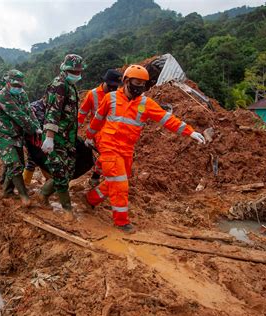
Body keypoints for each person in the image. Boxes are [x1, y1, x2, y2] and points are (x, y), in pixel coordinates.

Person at [84, 65, 206, 233]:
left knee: (116, 181)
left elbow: (167, 119)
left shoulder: (145, 103)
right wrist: (89, 136)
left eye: (143, 84)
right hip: (109, 146)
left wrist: (190, 132)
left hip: (127, 149)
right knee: (120, 184)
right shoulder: (110, 98)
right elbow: (97, 119)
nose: (139, 87)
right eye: (136, 82)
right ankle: (121, 222)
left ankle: (91, 199)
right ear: (126, 81)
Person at [39, 54, 85, 219]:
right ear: (65, 69)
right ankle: (67, 209)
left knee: (68, 171)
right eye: (73, 70)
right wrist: (49, 137)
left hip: (68, 138)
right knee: (59, 173)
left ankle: (43, 193)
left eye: (78, 71)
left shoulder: (70, 86)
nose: (76, 73)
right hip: (56, 138)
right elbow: (53, 112)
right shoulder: (59, 85)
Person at [0, 69, 40, 206]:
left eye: (20, 86)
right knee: (14, 164)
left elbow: (29, 111)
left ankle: (7, 190)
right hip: (3, 134)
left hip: (17, 135)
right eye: (15, 85)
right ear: (8, 83)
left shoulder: (22, 94)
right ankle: (23, 195)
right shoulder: (2, 96)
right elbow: (18, 115)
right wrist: (33, 128)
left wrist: (37, 127)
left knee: (18, 164)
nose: (18, 88)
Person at [78, 69, 122, 187]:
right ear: (105, 82)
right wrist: (74, 130)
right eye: (111, 86)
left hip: (113, 131)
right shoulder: (93, 94)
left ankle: (97, 176)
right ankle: (96, 178)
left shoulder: (119, 94)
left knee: (111, 156)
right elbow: (82, 113)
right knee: (107, 155)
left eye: (116, 86)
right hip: (97, 132)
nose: (113, 88)